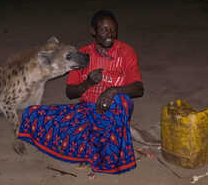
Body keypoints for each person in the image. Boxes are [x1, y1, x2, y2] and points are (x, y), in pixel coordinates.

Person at [18, 10, 144, 174]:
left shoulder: (126, 52)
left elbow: (138, 88)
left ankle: (107, 158)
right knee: (33, 114)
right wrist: (88, 83)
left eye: (113, 30)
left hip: (113, 110)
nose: (110, 35)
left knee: (121, 101)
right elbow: (70, 93)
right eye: (104, 30)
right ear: (93, 31)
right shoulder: (83, 55)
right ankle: (93, 146)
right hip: (86, 111)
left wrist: (113, 90)